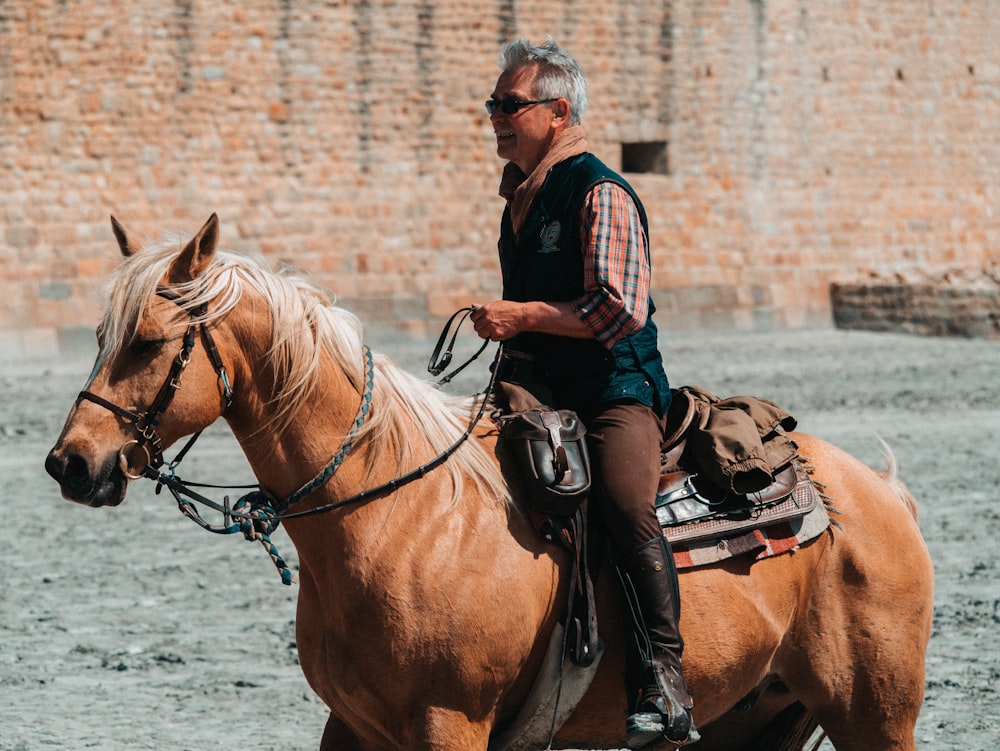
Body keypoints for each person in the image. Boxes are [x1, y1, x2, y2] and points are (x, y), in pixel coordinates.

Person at [470, 38, 698, 748]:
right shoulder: (524, 193)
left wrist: (521, 316)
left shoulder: (599, 190)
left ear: (558, 110)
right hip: (537, 385)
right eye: (492, 105)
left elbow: (617, 308)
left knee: (628, 506)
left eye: (510, 105)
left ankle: (662, 679)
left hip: (613, 389)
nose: (496, 118)